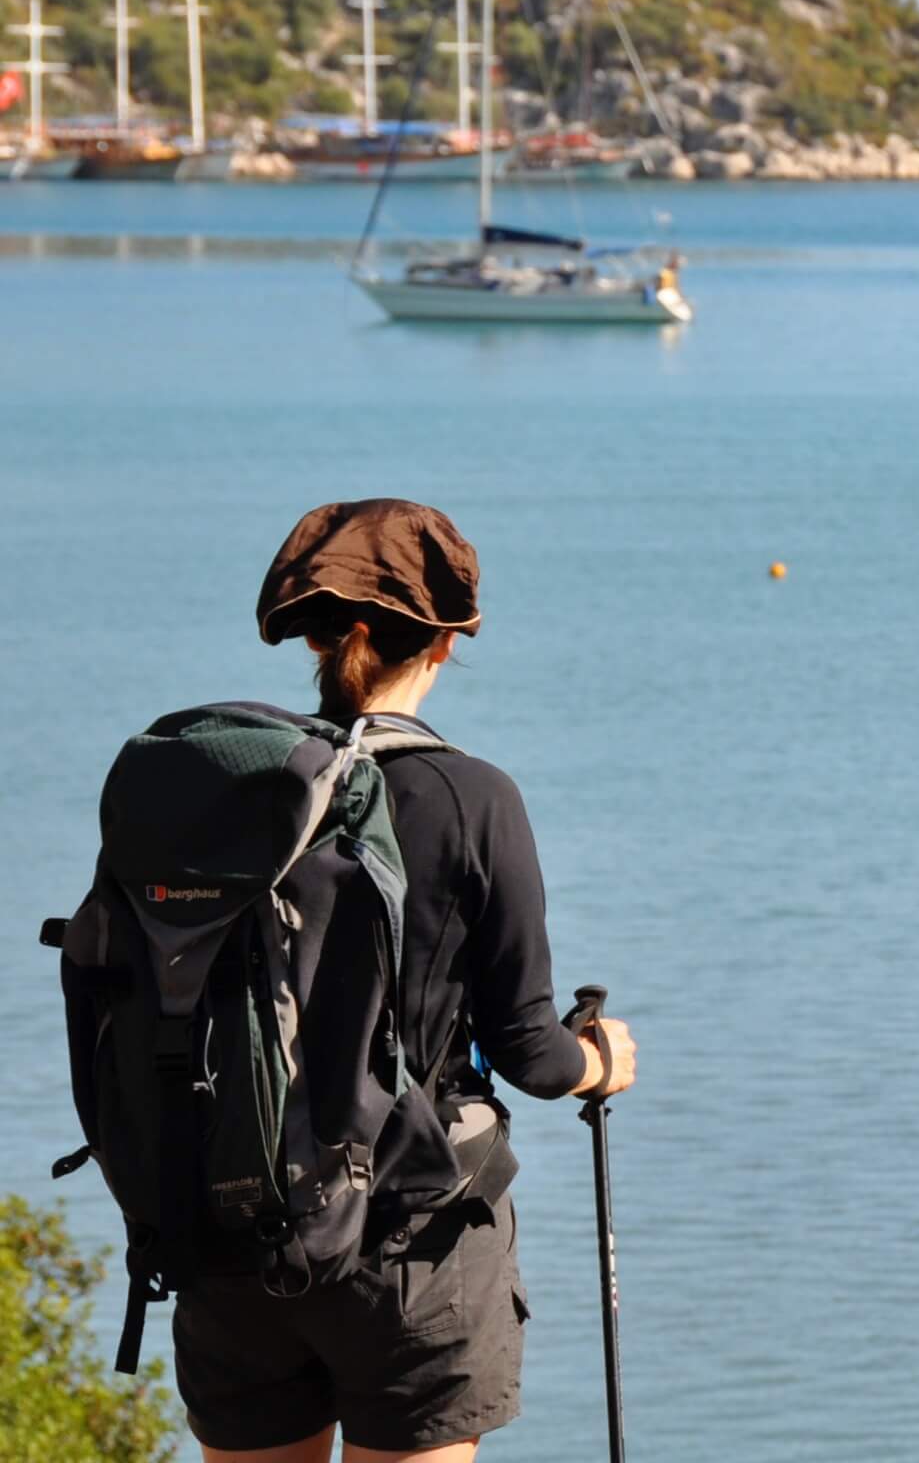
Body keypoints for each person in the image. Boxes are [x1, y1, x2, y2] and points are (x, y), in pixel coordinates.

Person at [174, 498, 638, 1463]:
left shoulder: (223, 786)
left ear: (308, 637)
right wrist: (600, 1061)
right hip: (410, 1244)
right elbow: (532, 1056)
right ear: (443, 643)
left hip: (233, 1231)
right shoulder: (473, 797)